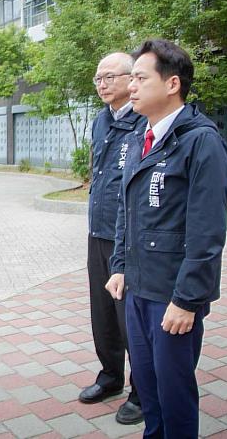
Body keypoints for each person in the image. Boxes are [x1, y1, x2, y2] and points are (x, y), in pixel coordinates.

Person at [106, 39, 227, 439]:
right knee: (150, 392)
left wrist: (187, 300)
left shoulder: (201, 142)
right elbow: (127, 210)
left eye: (141, 78)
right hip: (138, 291)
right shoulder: (139, 137)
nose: (132, 86)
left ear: (172, 83)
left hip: (172, 297)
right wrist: (120, 265)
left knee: (175, 395)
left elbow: (207, 233)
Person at [78, 53, 144, 425]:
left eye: (109, 77)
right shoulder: (101, 121)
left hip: (128, 238)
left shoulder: (140, 120)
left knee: (128, 316)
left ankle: (141, 390)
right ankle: (110, 376)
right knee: (101, 311)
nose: (102, 84)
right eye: (97, 78)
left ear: (130, 78)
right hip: (98, 231)